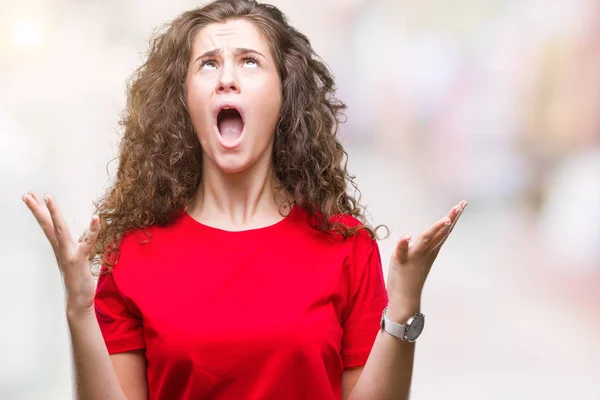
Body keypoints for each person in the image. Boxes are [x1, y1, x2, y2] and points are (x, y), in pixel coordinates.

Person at [23, 0, 467, 399]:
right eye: (208, 64)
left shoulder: (347, 247)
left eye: (250, 62)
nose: (227, 79)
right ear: (183, 98)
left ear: (283, 95)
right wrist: (79, 310)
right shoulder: (132, 253)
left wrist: (404, 304)